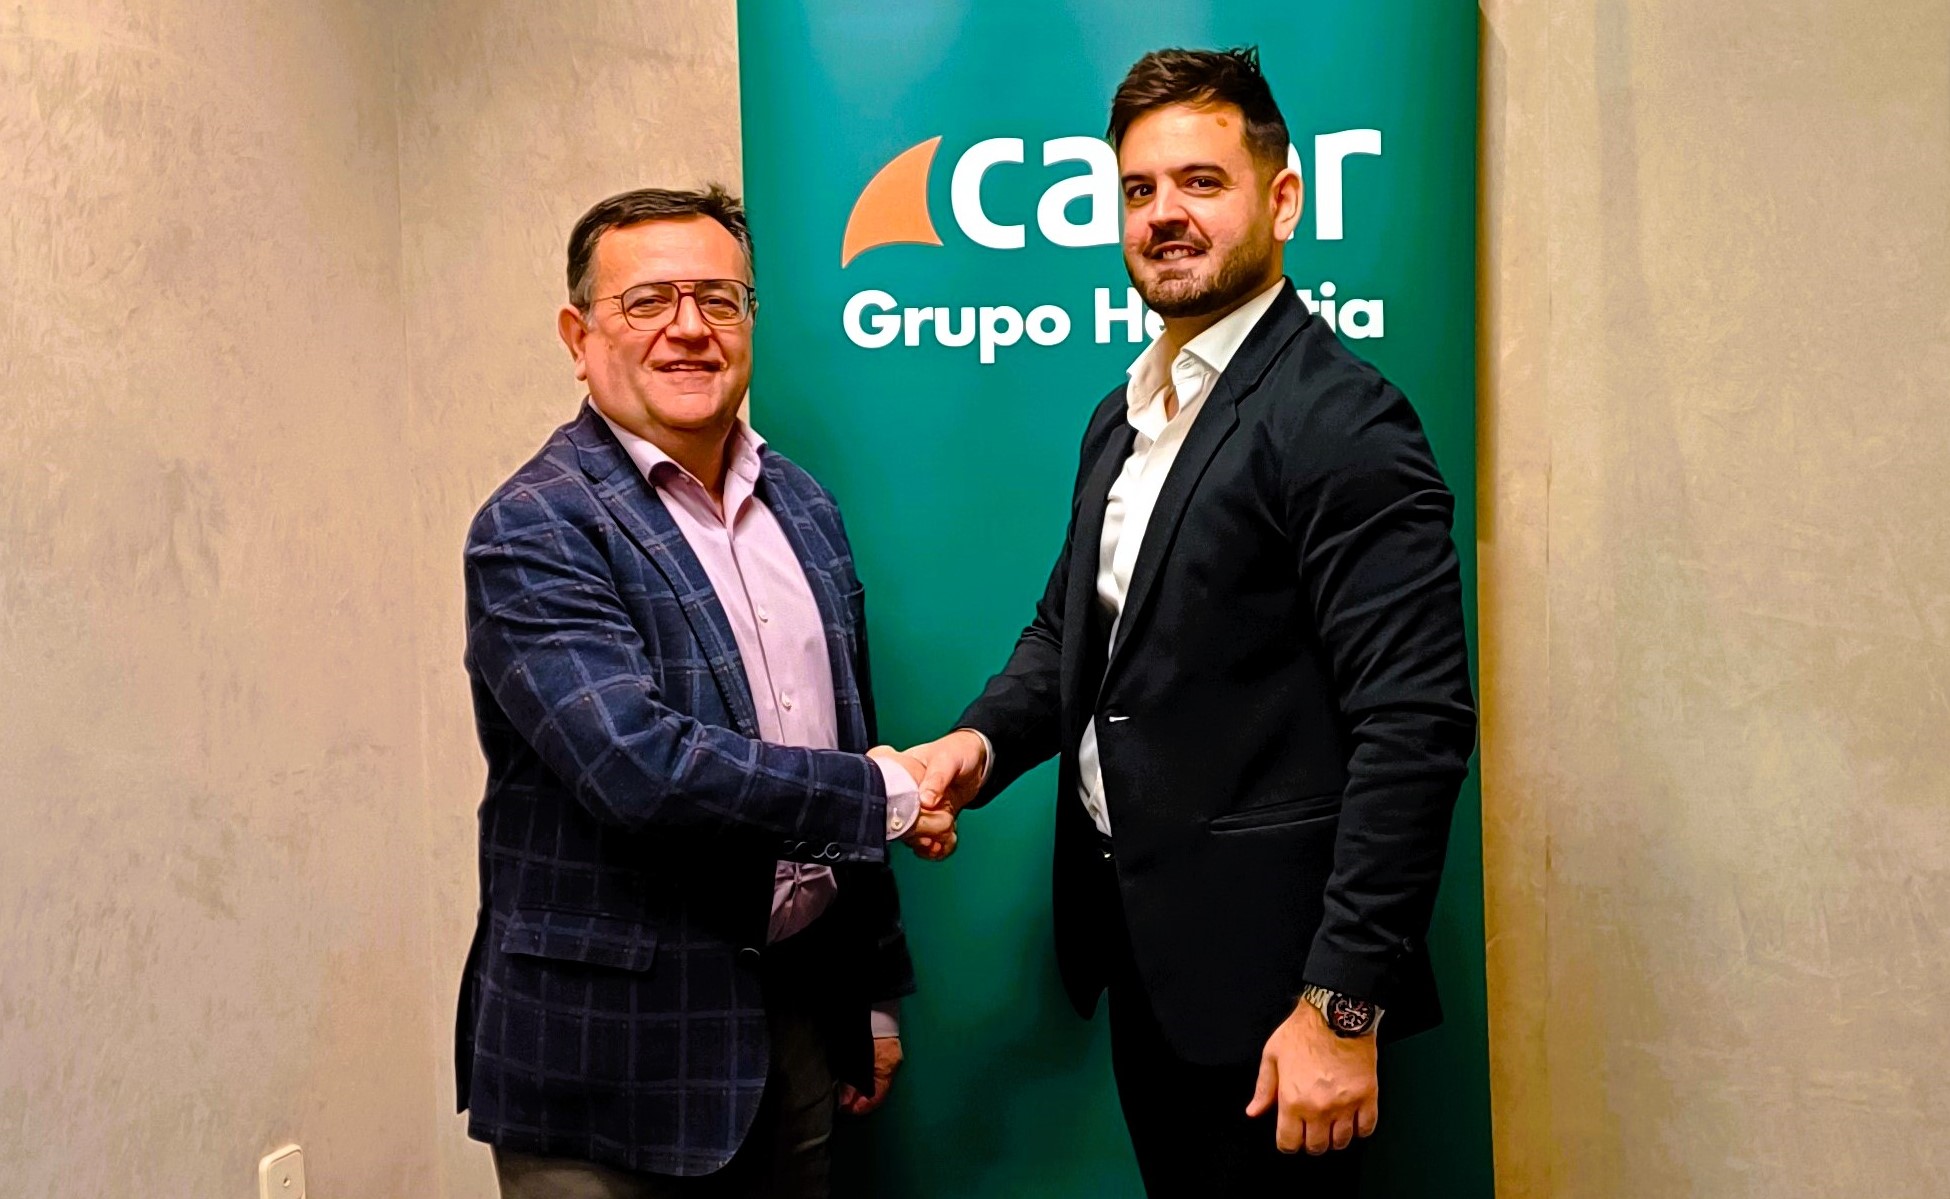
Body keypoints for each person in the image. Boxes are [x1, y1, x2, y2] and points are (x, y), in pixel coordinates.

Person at [905, 48, 1477, 1195]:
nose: (1164, 214)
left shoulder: (1340, 417)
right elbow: (1075, 632)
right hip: (1151, 969)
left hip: (1283, 1010)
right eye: (1139, 189)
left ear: (1283, 197)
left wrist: (1340, 1007)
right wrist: (978, 742)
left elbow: (1416, 725)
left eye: (1201, 182)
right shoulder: (1124, 415)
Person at [453, 185, 954, 1199]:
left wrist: (872, 995)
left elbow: (841, 729)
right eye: (648, 301)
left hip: (799, 1025)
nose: (690, 327)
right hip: (610, 1064)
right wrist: (887, 795)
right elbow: (638, 766)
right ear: (579, 337)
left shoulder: (804, 506)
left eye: (719, 299)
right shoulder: (535, 526)